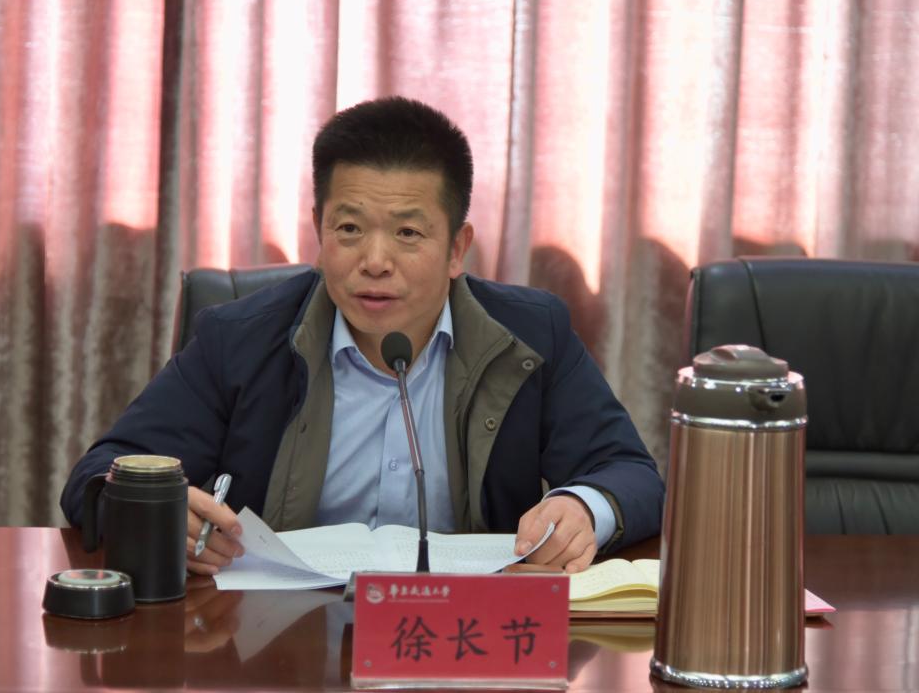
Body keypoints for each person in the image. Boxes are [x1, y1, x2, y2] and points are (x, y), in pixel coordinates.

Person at [61, 96, 664, 576]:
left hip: (462, 645)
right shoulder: (239, 338)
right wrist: (157, 514)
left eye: (408, 234)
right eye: (349, 228)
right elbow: (99, 474)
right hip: (277, 642)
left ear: (457, 248)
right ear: (319, 233)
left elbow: (630, 473)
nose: (375, 262)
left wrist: (585, 506)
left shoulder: (530, 335)